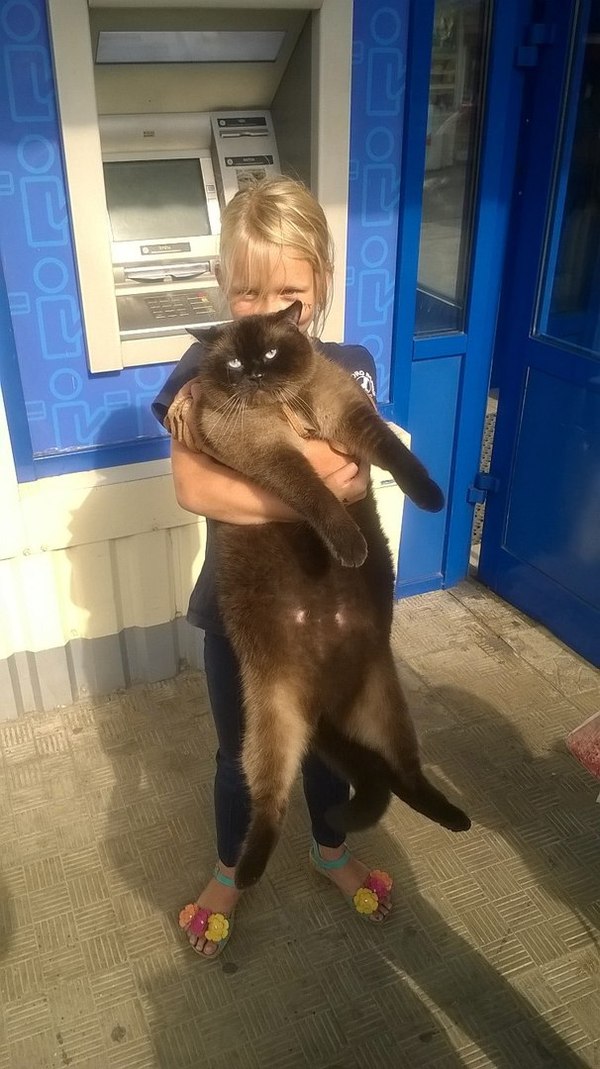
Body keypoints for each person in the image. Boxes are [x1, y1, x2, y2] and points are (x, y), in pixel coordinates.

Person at [152, 176, 393, 958]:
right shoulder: (199, 365)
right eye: (247, 288)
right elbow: (194, 486)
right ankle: (231, 870)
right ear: (224, 283)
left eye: (288, 287)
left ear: (319, 281)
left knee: (327, 743)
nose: (264, 306)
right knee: (241, 754)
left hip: (331, 610)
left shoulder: (350, 366)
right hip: (239, 609)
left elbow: (349, 470)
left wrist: (256, 481)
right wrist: (304, 487)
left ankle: (329, 849)